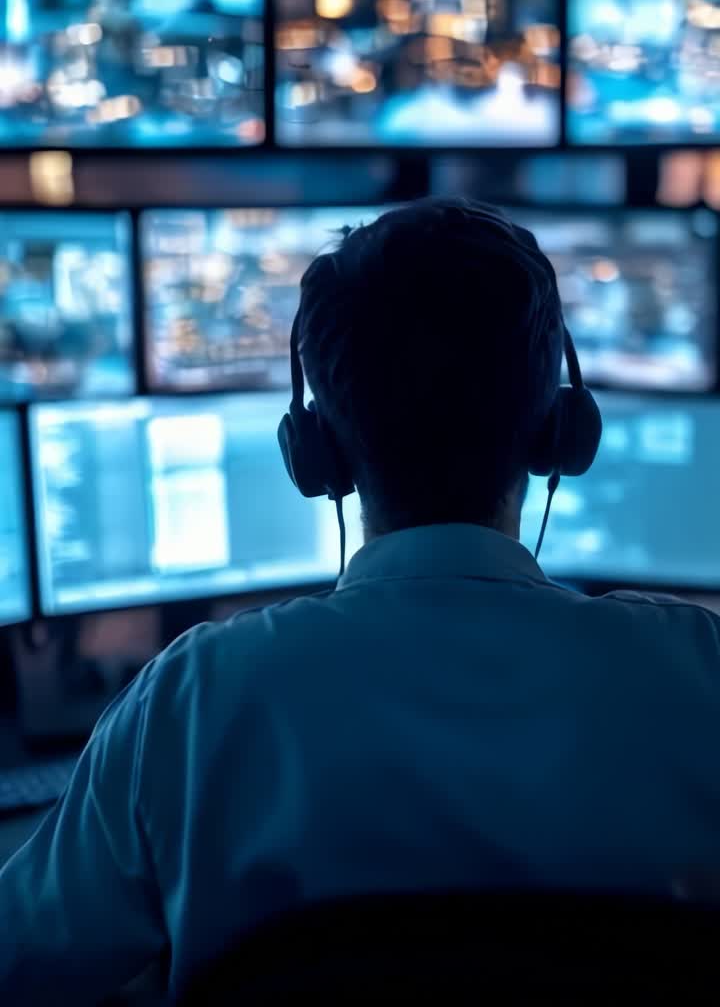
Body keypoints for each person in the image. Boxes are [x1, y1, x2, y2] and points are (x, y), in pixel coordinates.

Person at [2, 198, 720, 1003]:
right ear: (560, 432)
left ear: (317, 454)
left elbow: (18, 964)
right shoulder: (701, 675)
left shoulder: (194, 703)